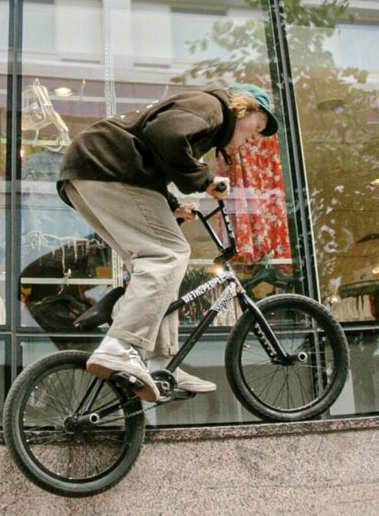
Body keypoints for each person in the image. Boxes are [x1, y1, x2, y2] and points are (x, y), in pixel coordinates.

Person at [60, 85, 277, 401]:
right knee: (168, 254)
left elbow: (154, 155)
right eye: (257, 127)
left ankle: (160, 362)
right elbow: (165, 134)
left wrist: (172, 204)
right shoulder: (212, 106)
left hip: (90, 170)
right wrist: (205, 179)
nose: (253, 137)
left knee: (159, 265)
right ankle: (119, 345)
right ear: (243, 109)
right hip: (107, 167)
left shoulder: (204, 117)